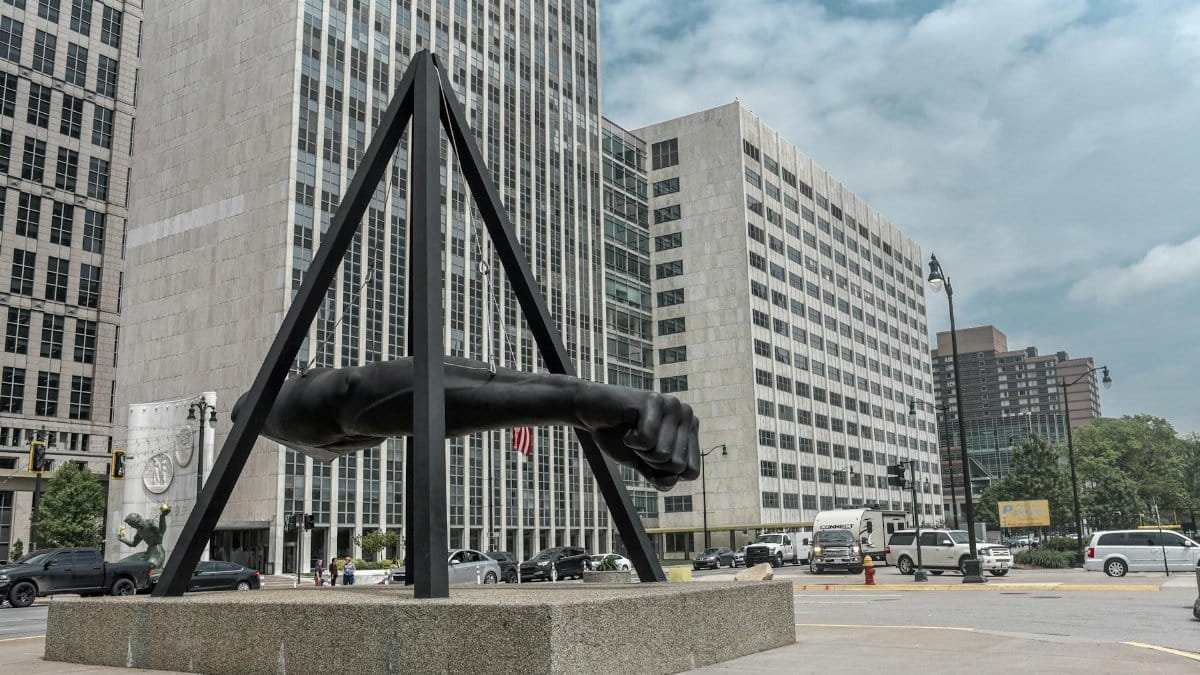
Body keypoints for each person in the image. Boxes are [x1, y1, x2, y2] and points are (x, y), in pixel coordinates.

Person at [236, 356, 702, 492]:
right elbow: (254, 409)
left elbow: (344, 404)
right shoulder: (304, 409)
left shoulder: (350, 421)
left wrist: (576, 404)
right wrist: (574, 401)